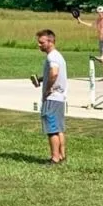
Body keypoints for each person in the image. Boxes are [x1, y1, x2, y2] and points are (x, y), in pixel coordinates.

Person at [35, 29, 67, 164]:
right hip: (60, 98)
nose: (39, 45)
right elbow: (53, 74)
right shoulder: (58, 56)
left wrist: (48, 89)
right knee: (58, 128)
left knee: (51, 129)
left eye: (41, 42)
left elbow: (54, 73)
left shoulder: (51, 57)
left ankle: (55, 158)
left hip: (52, 97)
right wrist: (42, 79)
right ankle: (62, 155)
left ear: (50, 42)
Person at [76, 5, 103, 82]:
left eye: (102, 12)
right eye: (99, 12)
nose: (100, 14)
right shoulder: (97, 20)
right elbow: (91, 25)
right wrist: (81, 21)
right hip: (101, 41)